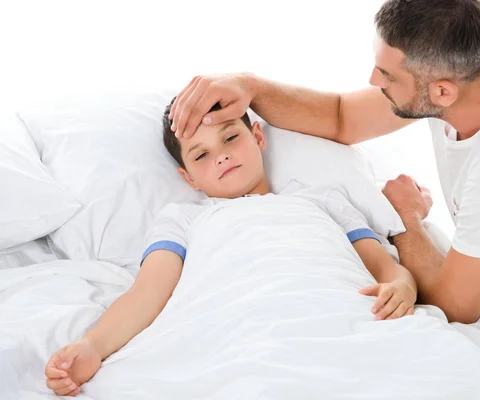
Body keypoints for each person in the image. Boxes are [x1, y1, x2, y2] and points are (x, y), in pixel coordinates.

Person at [167, 1, 480, 399]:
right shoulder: (477, 64)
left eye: (388, 76)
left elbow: (455, 306)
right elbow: (342, 116)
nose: (374, 82)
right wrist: (249, 85)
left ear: (442, 93)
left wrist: (406, 217)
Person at [43, 99, 417, 397]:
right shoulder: (183, 219)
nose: (220, 155)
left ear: (257, 136)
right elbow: (148, 293)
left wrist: (402, 286)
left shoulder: (322, 199)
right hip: (236, 319)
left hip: (331, 309)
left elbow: (383, 267)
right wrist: (93, 346)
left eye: (229, 138)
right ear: (188, 177)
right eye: (201, 155)